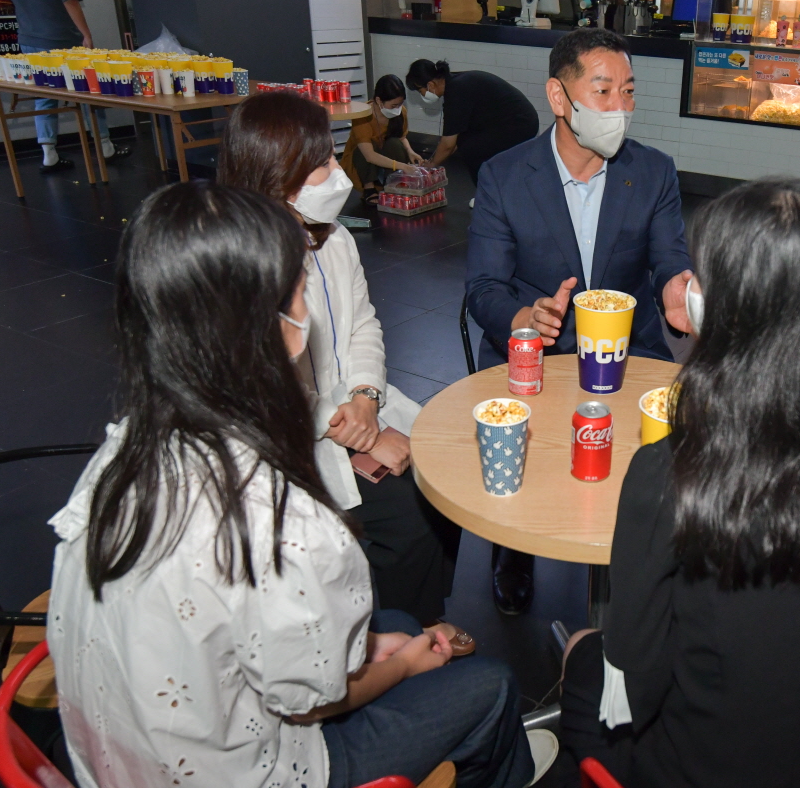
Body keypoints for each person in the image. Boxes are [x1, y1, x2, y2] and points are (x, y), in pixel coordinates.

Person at [47, 181, 533, 788]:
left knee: (403, 625)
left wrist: (385, 650)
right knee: (492, 686)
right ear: (283, 327)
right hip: (255, 773)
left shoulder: (118, 455)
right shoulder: (288, 520)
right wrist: (405, 666)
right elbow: (313, 702)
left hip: (116, 760)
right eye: (302, 289)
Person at [556, 177, 800, 788]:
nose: (690, 290)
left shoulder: (669, 472)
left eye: (702, 277)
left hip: (687, 770)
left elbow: (632, 683)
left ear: (736, 311)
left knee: (582, 653)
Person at [218, 92, 470, 651]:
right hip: (289, 440)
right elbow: (264, 392)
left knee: (444, 472)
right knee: (409, 512)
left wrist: (365, 396)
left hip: (354, 406)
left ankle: (426, 609)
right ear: (276, 175)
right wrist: (360, 433)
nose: (338, 172)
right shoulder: (241, 267)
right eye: (323, 162)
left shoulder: (334, 240)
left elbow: (363, 326)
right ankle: (404, 636)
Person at [464, 27, 693, 615]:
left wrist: (677, 286)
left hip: (629, 352)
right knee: (525, 459)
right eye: (603, 90)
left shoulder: (654, 171)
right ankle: (513, 549)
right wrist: (524, 317)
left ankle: (639, 551)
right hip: (537, 359)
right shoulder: (504, 175)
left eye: (628, 91)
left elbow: (670, 258)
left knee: (660, 457)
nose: (619, 107)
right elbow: (484, 288)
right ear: (558, 97)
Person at [3, 0, 131, 172]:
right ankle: (105, 146)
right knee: (88, 92)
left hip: (29, 39)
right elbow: (70, 1)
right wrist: (86, 35)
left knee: (44, 96)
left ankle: (49, 154)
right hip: (61, 40)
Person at [406, 58, 540, 187]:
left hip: (520, 124)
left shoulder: (456, 92)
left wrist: (431, 165)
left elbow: (448, 145)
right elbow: (454, 138)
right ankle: (492, 190)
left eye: (420, 91)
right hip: (518, 120)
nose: (422, 95)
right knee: (467, 140)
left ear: (430, 85)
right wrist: (433, 159)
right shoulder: (454, 82)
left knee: (472, 149)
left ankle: (488, 193)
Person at [340, 74, 424, 204]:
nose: (397, 109)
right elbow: (369, 156)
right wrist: (403, 166)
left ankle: (393, 182)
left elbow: (401, 137)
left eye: (400, 104)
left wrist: (410, 152)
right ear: (379, 100)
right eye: (393, 105)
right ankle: (369, 188)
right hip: (365, 162)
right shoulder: (362, 116)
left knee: (394, 143)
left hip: (387, 158)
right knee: (366, 148)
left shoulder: (401, 112)